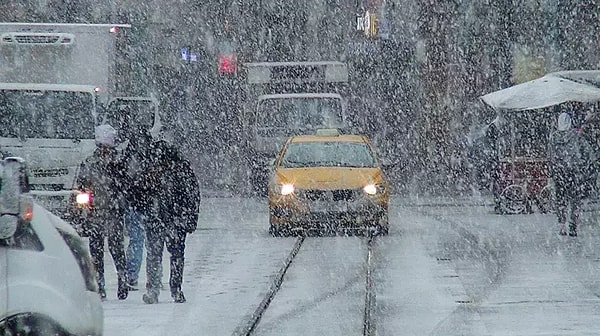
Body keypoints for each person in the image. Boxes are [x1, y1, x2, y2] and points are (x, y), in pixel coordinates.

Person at [142, 141, 201, 304]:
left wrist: (189, 218)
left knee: (170, 254)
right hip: (160, 218)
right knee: (159, 254)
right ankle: (159, 289)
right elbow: (140, 194)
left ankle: (173, 289)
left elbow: (192, 196)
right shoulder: (157, 173)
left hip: (173, 219)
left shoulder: (180, 171)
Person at [77, 124, 128, 300]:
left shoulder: (120, 163)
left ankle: (123, 280)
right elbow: (81, 185)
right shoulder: (89, 163)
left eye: (107, 147)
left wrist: (120, 203)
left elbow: (125, 186)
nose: (104, 150)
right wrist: (84, 204)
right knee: (96, 251)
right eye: (102, 147)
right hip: (95, 212)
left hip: (114, 212)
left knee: (116, 249)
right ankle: (100, 285)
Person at [547, 112, 593, 237]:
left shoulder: (553, 137)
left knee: (560, 199)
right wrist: (584, 165)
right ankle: (573, 225)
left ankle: (562, 225)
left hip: (559, 173)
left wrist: (552, 170)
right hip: (574, 172)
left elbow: (550, 156)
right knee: (574, 199)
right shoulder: (576, 136)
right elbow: (588, 153)